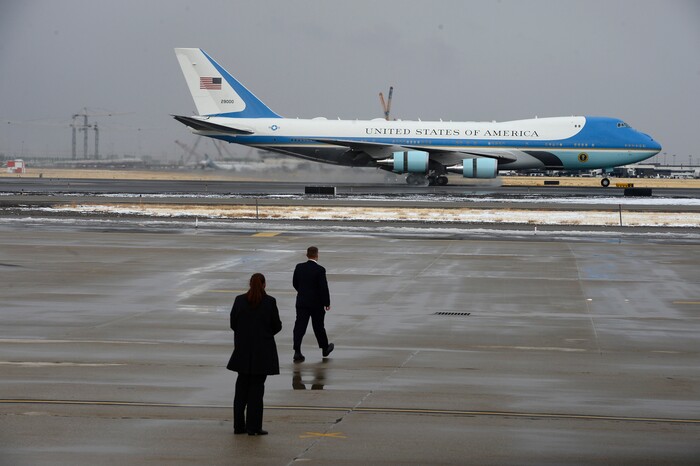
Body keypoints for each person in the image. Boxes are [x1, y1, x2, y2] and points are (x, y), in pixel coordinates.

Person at [226, 273, 282, 436]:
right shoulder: (270, 302)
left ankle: (238, 426)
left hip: (242, 350)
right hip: (262, 352)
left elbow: (233, 323)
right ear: (264, 285)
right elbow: (276, 326)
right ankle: (254, 427)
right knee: (256, 391)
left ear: (249, 284)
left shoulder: (239, 300)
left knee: (241, 390)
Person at [292, 246, 334, 362]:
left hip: (302, 302)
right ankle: (325, 348)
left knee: (300, 327)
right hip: (316, 303)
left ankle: (297, 351)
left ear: (307, 255)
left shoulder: (299, 267)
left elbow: (295, 283)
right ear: (317, 255)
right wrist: (327, 302)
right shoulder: (320, 270)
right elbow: (323, 287)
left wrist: (302, 292)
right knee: (318, 326)